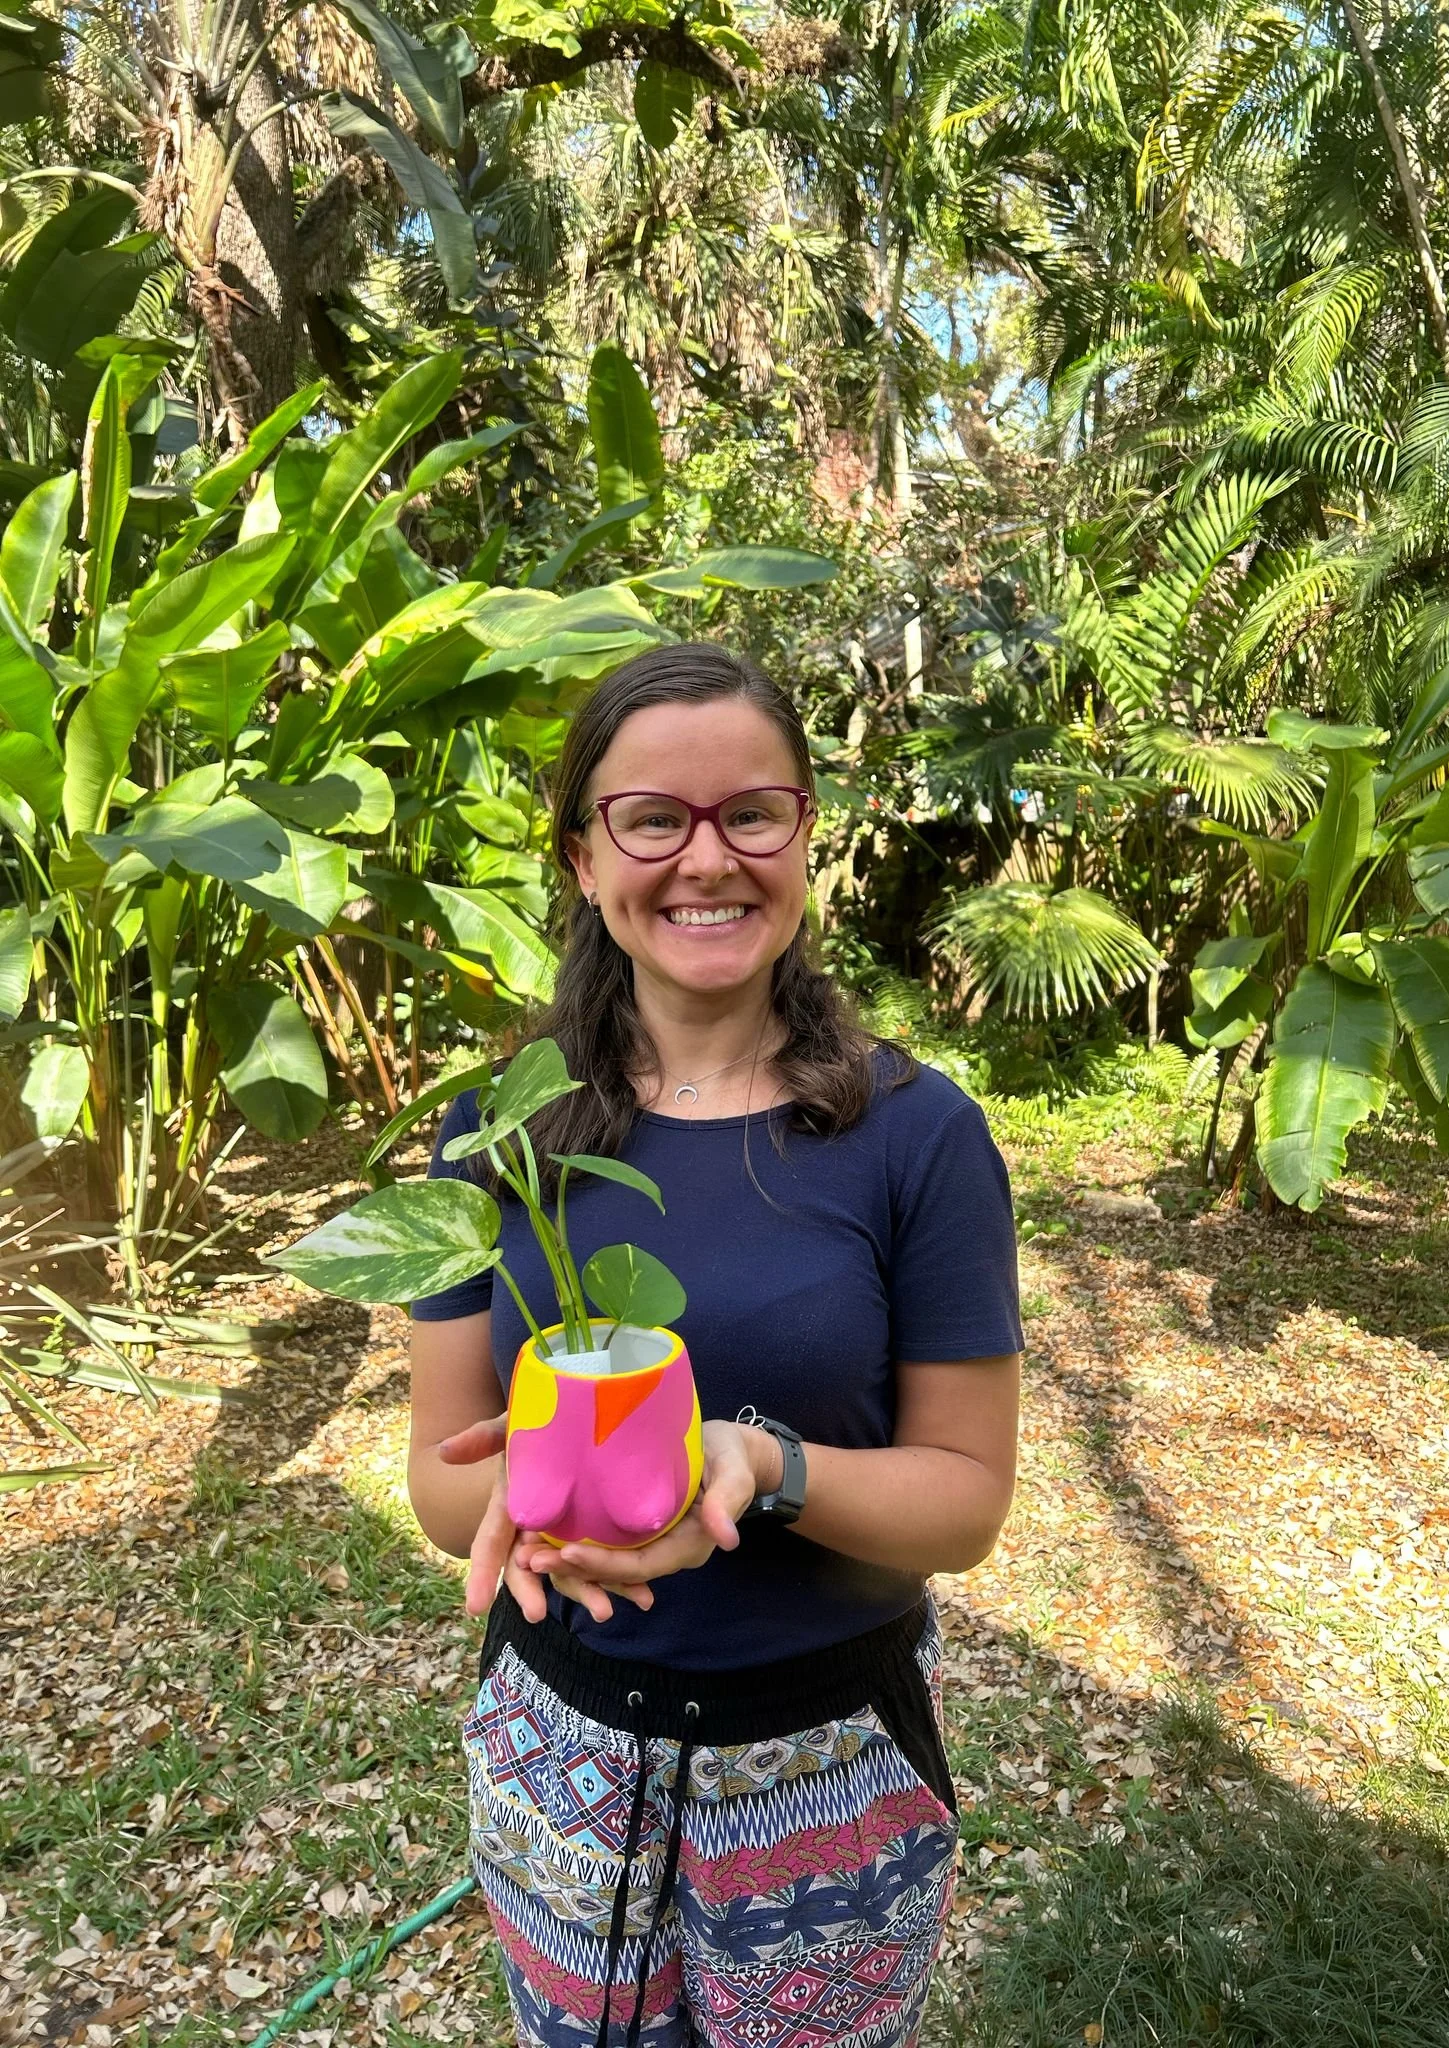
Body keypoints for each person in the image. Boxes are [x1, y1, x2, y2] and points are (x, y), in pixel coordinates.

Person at [407, 643, 1023, 2048]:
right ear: (582, 855)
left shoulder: (916, 1137)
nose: (707, 859)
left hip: (825, 1771)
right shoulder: (495, 1132)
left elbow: (966, 1501)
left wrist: (755, 1463)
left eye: (752, 812)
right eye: (651, 819)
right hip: (559, 1747)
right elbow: (444, 1484)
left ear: (807, 832)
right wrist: (538, 1510)